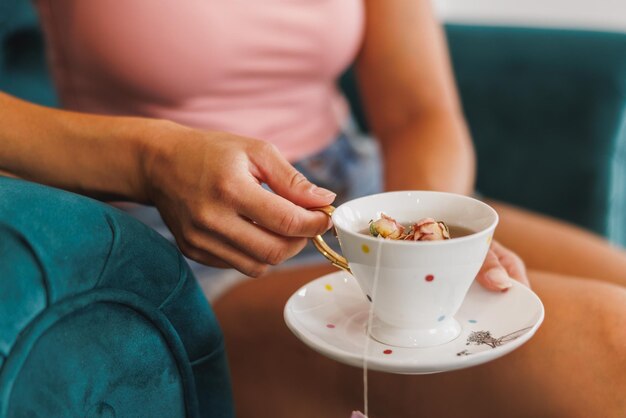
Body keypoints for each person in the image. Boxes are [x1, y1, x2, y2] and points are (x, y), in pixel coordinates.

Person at [0, 0, 623, 417]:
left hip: (368, 195)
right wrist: (145, 160)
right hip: (181, 243)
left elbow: (417, 111)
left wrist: (420, 244)